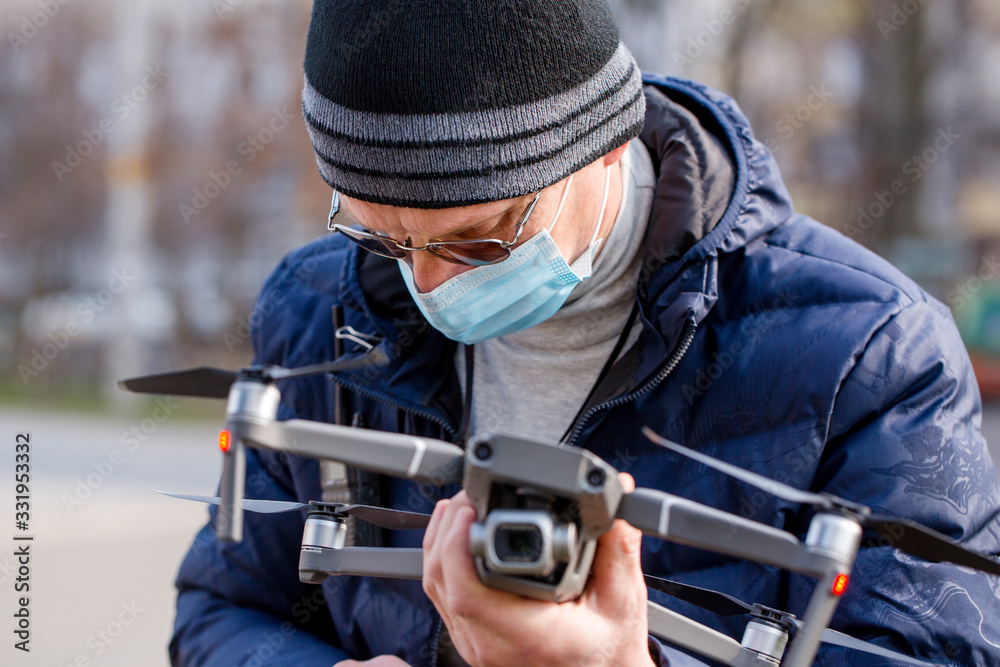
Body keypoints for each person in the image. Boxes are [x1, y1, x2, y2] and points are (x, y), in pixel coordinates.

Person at [170, 1, 1000, 665]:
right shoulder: (320, 310)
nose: (427, 284)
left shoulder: (871, 358)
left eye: (476, 241)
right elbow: (221, 610)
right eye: (383, 237)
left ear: (604, 142)